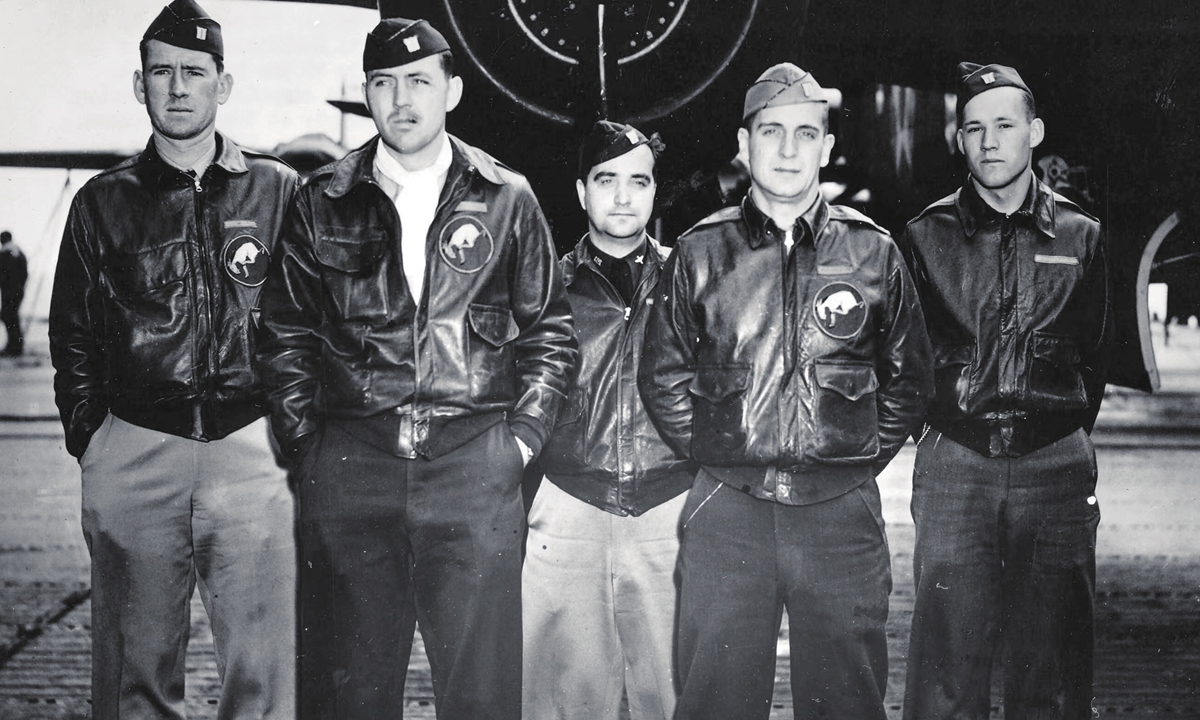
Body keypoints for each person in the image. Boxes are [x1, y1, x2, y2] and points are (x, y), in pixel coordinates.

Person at [254, 17, 577, 720]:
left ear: (452, 92)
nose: (402, 99)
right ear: (368, 95)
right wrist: (310, 449)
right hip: (351, 465)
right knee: (347, 694)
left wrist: (516, 446)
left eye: (420, 82)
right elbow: (284, 336)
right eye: (384, 83)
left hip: (472, 466)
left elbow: (551, 332)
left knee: (483, 694)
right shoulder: (321, 200)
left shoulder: (506, 197)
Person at [640, 62, 934, 720]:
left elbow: (910, 379)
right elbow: (661, 376)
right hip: (727, 513)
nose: (788, 149)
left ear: (828, 148)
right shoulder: (699, 254)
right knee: (714, 698)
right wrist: (722, 452)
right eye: (771, 132)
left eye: (807, 133)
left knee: (848, 700)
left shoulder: (872, 253)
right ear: (743, 148)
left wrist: (851, 455)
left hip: (840, 516)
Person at [47, 1, 298, 718]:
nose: (178, 87)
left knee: (267, 678)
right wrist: (92, 436)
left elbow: (314, 324)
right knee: (134, 678)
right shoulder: (102, 204)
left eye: (195, 72)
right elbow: (74, 332)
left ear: (224, 85)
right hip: (136, 450)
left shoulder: (279, 191)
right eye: (162, 72)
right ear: (140, 86)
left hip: (255, 451)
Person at [898, 62, 1109, 720]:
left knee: (1048, 664)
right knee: (945, 668)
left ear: (1034, 132)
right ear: (958, 140)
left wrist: (1058, 439)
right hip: (957, 463)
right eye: (974, 128)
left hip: (1055, 464)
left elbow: (1095, 359)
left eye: (1005, 126)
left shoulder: (1081, 236)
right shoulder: (925, 236)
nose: (990, 141)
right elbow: (905, 357)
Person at [522, 121, 689, 720]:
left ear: (654, 191)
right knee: (561, 697)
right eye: (606, 180)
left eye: (637, 181)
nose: (622, 196)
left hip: (670, 505)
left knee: (673, 693)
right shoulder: (545, 286)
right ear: (580, 191)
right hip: (569, 507)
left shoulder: (687, 280)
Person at [0, 230, 28, 356]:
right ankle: (16, 345)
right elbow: (25, 274)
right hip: (18, 291)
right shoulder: (19, 251)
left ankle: (14, 347)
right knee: (12, 317)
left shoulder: (5, 253)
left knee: (9, 316)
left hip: (8, 292)